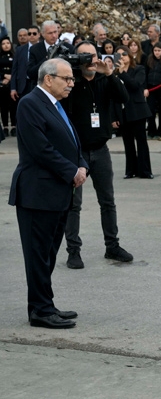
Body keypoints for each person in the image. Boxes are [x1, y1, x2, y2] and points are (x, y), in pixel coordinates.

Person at [10, 58, 88, 328]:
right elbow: (40, 148)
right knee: (38, 255)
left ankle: (45, 305)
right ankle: (41, 311)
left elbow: (71, 140)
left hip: (56, 192)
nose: (71, 83)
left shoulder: (55, 104)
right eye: (66, 79)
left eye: (72, 79)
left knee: (48, 254)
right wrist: (72, 172)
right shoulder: (30, 104)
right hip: (37, 193)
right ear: (48, 79)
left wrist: (82, 165)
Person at [61, 42, 132, 269]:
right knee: (73, 204)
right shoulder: (70, 82)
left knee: (107, 202)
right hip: (75, 152)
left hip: (101, 149)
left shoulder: (104, 80)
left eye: (92, 55)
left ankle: (112, 245)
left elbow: (124, 98)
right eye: (84, 56)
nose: (90, 60)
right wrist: (72, 74)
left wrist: (110, 74)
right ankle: (73, 251)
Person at [115, 46, 152, 179]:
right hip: (123, 111)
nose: (122, 57)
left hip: (138, 110)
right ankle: (130, 170)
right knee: (127, 142)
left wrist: (123, 73)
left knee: (141, 141)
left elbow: (135, 85)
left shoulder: (139, 69)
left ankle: (145, 170)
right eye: (118, 55)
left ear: (130, 56)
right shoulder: (114, 73)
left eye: (124, 54)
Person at [27, 21, 74, 86]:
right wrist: (47, 59)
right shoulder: (34, 49)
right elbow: (30, 73)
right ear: (42, 34)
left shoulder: (69, 48)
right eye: (50, 33)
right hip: (42, 88)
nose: (54, 35)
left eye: (55, 32)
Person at [10, 25, 40, 104]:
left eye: (34, 33)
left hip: (39, 83)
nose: (31, 36)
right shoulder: (20, 49)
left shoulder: (43, 48)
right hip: (24, 85)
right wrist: (13, 88)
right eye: (29, 34)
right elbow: (15, 69)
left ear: (39, 34)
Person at [144, 42, 161, 138]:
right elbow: (145, 74)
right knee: (150, 110)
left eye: (159, 51)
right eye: (155, 50)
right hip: (151, 88)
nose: (157, 53)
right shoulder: (149, 59)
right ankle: (151, 130)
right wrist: (145, 88)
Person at [0, 36, 15, 137]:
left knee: (13, 106)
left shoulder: (15, 55)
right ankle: (5, 127)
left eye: (8, 43)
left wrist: (10, 77)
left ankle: (14, 126)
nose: (6, 45)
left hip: (12, 84)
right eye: (3, 44)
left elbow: (17, 68)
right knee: (3, 106)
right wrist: (4, 76)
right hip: (2, 84)